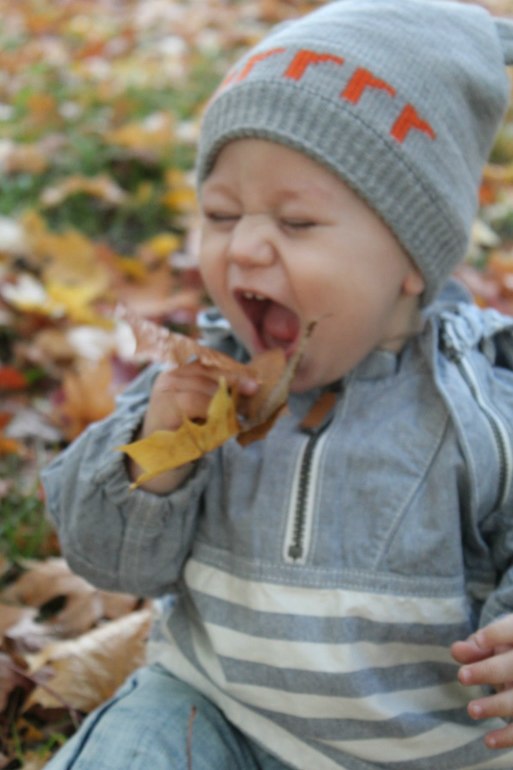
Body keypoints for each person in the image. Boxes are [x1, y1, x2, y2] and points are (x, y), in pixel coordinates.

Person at [41, 1, 513, 768]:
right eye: (221, 214)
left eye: (295, 224)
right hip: (214, 714)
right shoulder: (193, 391)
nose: (245, 248)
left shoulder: (481, 408)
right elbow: (110, 563)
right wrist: (157, 459)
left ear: (410, 257)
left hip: (426, 753)